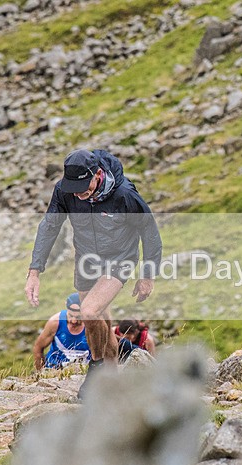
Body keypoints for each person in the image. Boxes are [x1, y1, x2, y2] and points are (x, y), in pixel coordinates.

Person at [25, 149, 162, 369]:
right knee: (100, 324)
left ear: (98, 174)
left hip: (119, 259)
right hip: (86, 260)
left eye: (82, 188)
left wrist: (148, 275)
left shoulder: (124, 195)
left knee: (88, 312)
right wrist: (34, 272)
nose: (77, 194)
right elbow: (49, 227)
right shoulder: (63, 191)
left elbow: (150, 231)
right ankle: (111, 375)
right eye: (73, 189)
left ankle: (96, 370)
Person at [32, 293, 91, 370]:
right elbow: (38, 347)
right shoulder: (55, 323)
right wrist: (40, 373)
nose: (74, 321)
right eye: (70, 315)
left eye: (78, 317)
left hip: (85, 371)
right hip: (55, 370)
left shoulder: (93, 324)